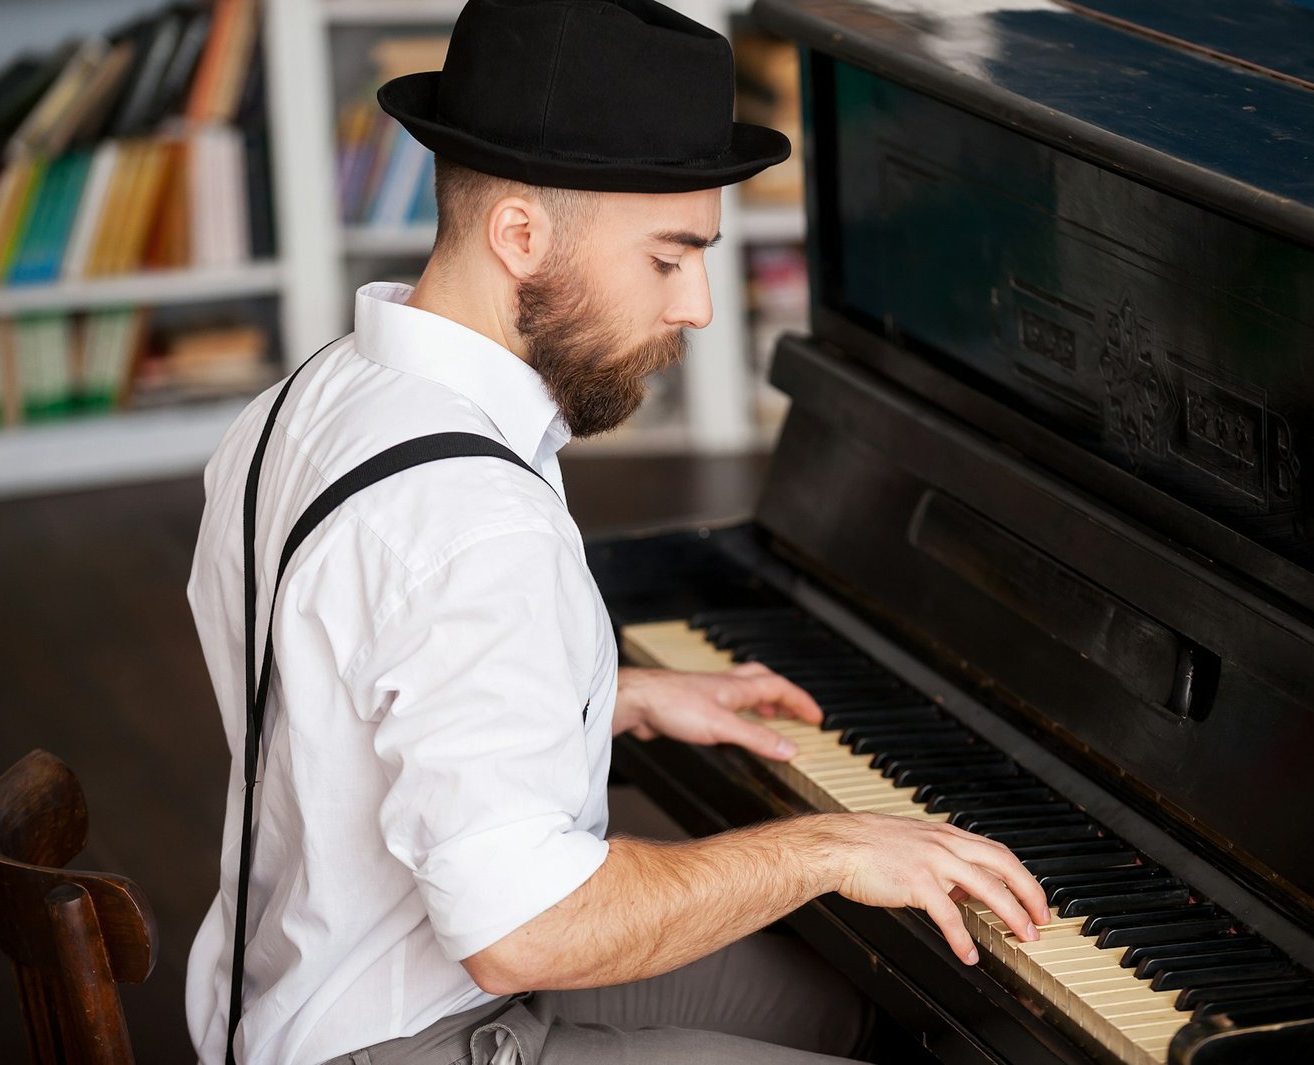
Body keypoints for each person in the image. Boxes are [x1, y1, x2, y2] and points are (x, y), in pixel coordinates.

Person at [184, 2, 1050, 1063]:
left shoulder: (305, 401)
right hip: (413, 1029)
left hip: (289, 979)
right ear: (519, 234)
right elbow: (526, 931)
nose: (696, 306)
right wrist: (825, 846)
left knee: (872, 1010)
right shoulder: (475, 520)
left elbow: (354, 681)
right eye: (666, 257)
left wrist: (607, 697)